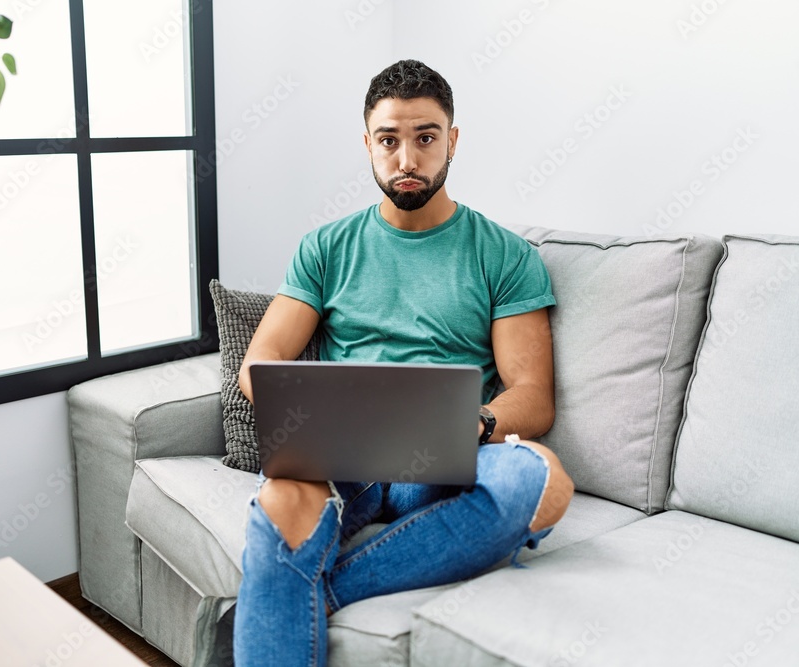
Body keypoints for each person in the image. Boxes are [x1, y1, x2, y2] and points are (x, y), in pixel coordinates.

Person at [232, 59, 575, 667]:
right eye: (389, 141)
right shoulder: (326, 247)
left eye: (425, 138)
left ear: (452, 140)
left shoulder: (505, 255)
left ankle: (316, 587)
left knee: (540, 478)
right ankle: (303, 580)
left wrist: (475, 424)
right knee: (281, 500)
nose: (407, 160)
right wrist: (312, 412)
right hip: (344, 455)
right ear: (368, 144)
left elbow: (533, 395)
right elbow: (261, 363)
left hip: (436, 459)